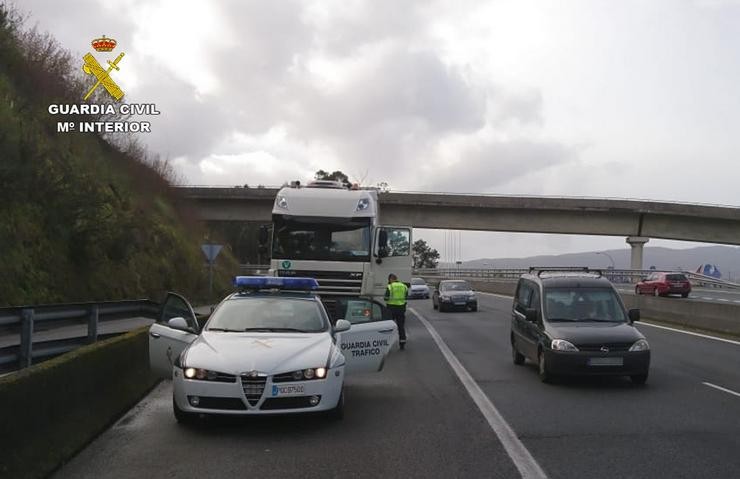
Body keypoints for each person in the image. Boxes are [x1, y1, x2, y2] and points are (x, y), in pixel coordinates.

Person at [384, 273, 408, 350]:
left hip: (391, 309)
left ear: (391, 279)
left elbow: (386, 298)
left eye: (389, 280)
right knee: (401, 326)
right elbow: (406, 297)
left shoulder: (390, 286)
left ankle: (387, 343)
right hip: (401, 309)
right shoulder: (404, 286)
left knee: (389, 327)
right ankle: (402, 343)